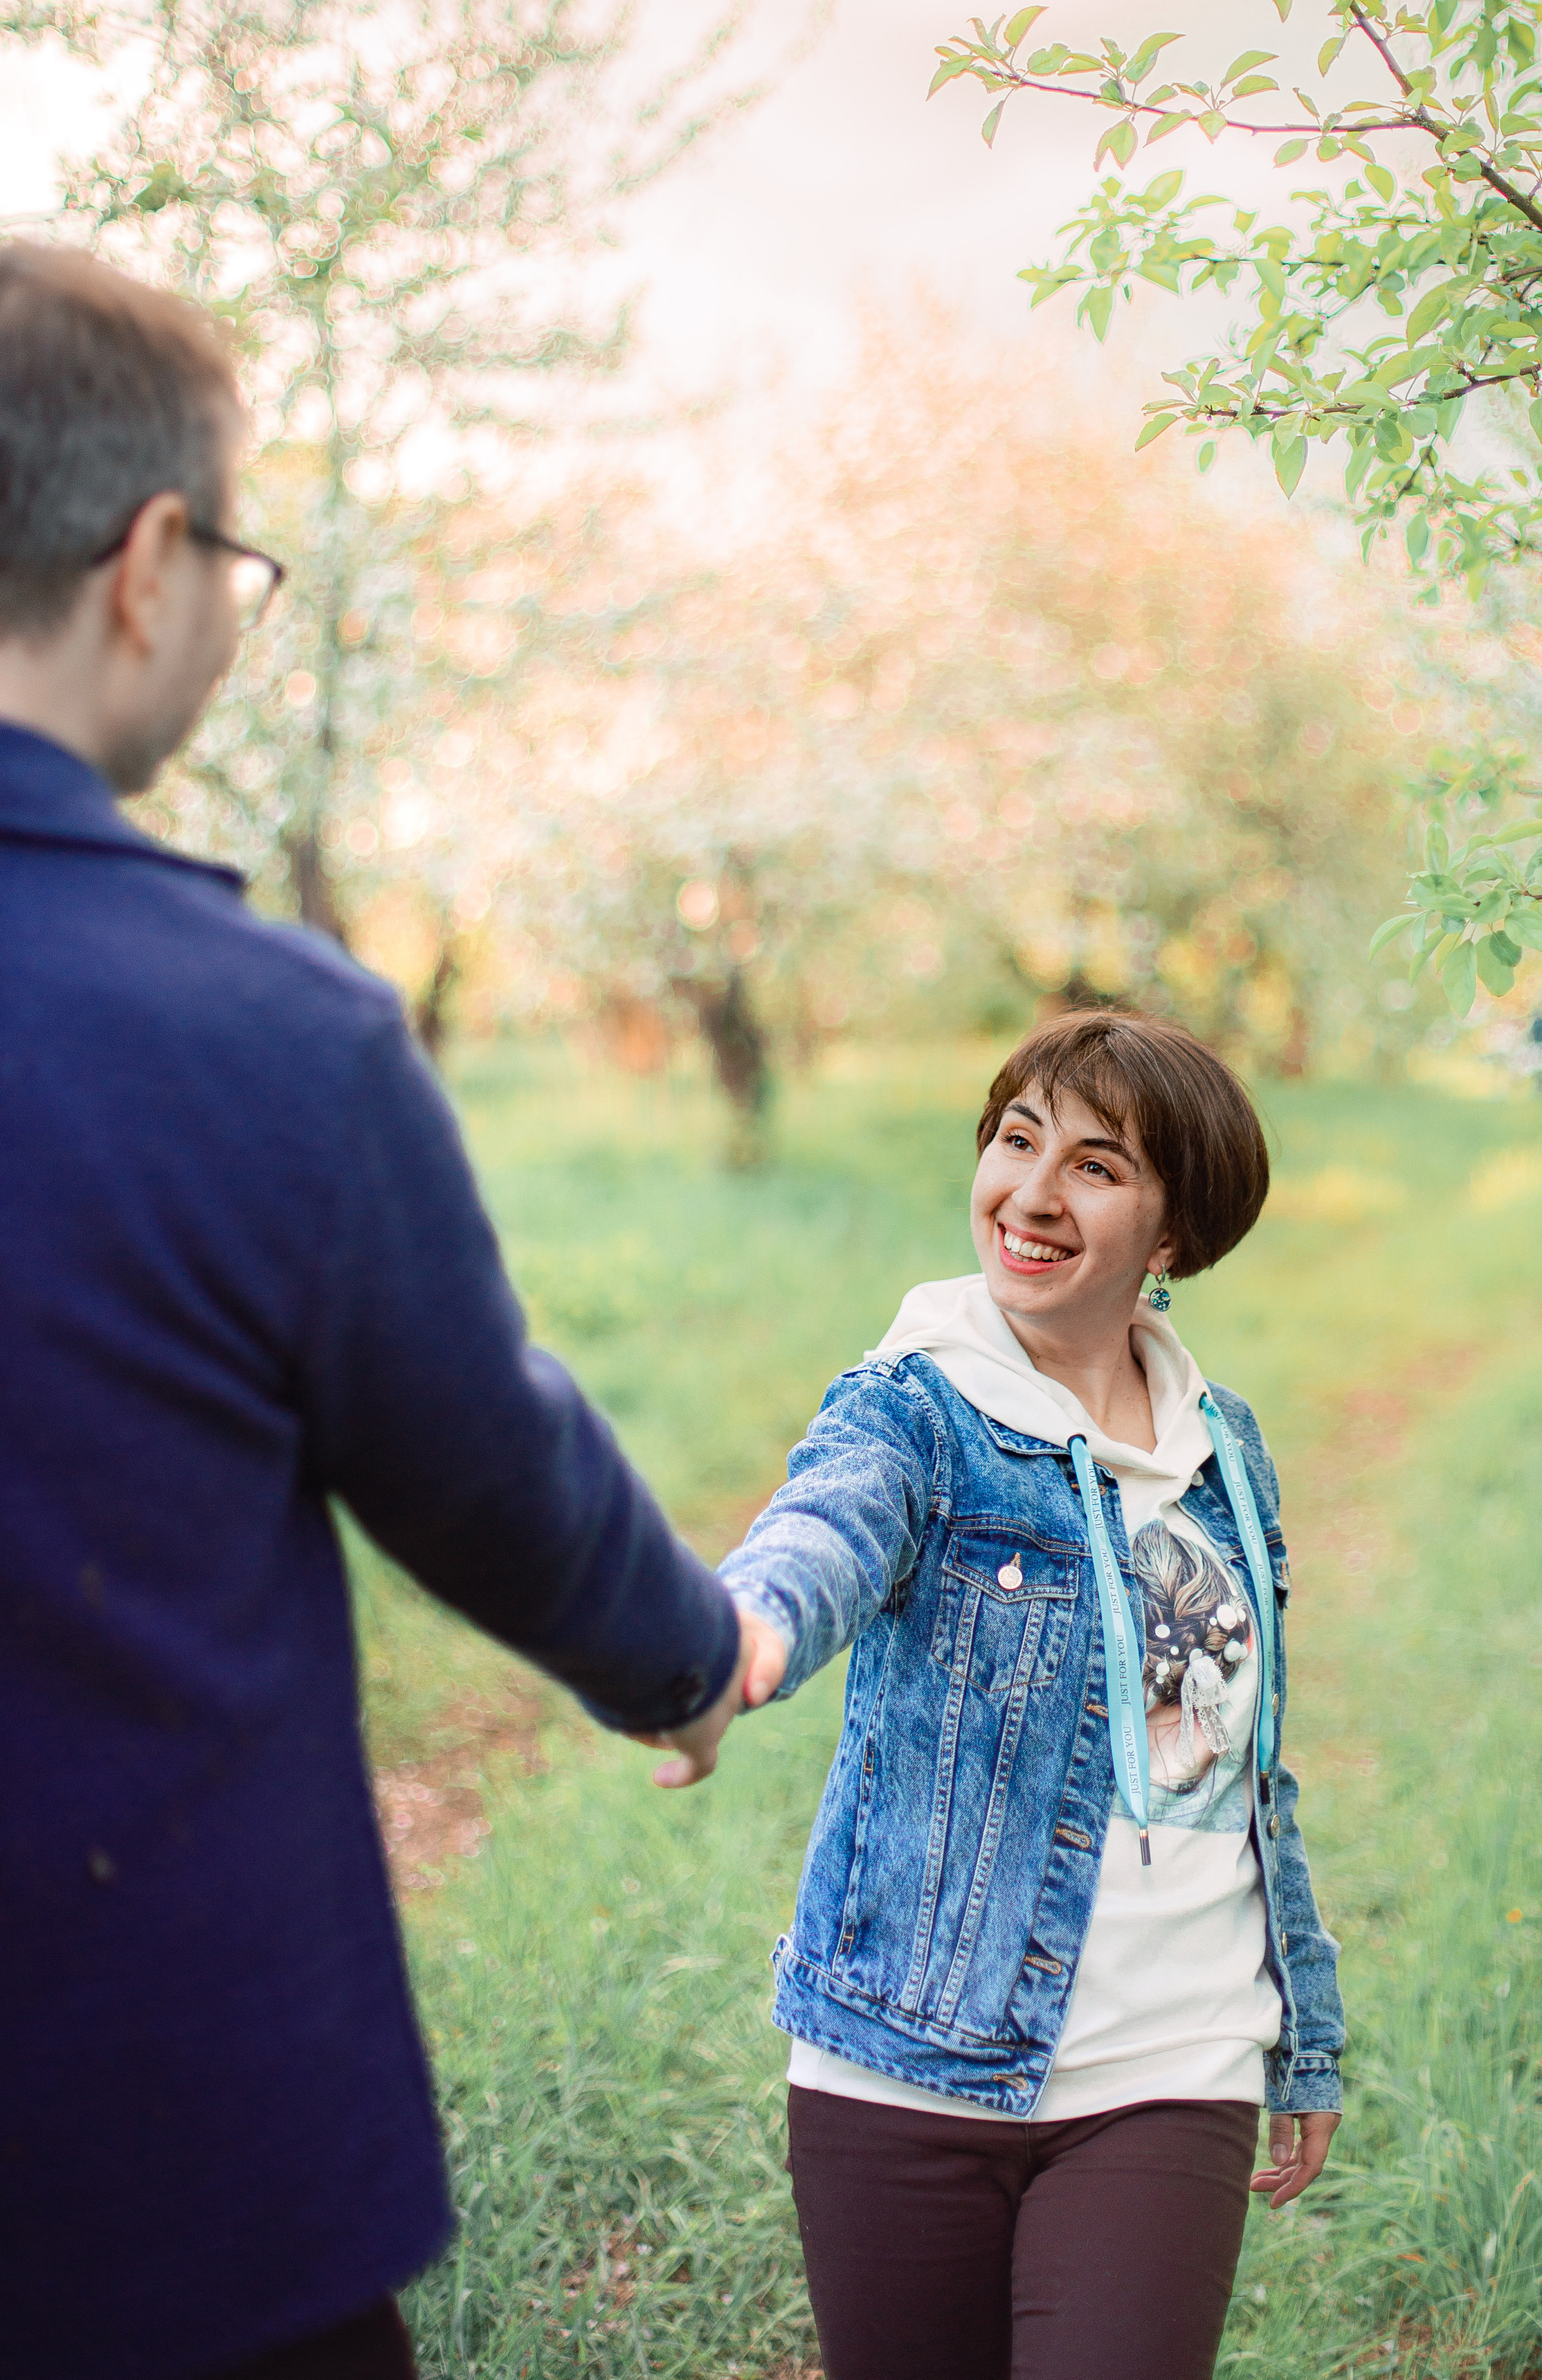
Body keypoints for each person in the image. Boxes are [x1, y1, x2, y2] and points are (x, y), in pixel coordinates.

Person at [0, 243, 764, 2380]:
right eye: (235, 565)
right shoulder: (268, 1038)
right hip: (160, 2160)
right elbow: (483, 1468)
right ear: (148, 562)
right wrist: (679, 1655)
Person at [716, 1011, 1345, 2380]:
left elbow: (1240, 1769)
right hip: (905, 2054)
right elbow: (819, 1534)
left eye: (1096, 1166)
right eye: (1016, 1141)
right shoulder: (913, 1412)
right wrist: (735, 1639)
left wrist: (1304, 2031)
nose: (1032, 1194)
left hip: (1172, 2058)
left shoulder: (1221, 1450)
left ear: (1174, 1236)